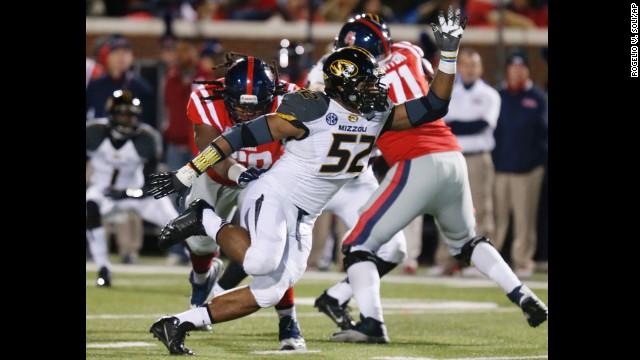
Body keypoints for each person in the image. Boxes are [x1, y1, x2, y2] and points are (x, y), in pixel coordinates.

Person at [145, 7, 465, 355]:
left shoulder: (379, 115)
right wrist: (189, 172)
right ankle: (203, 217)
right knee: (257, 263)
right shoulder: (311, 110)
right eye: (367, 81)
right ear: (344, 85)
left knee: (268, 291)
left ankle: (177, 324)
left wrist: (448, 55)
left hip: (306, 214)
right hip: (275, 194)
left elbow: (435, 104)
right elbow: (236, 137)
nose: (376, 86)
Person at [328, 23, 547, 345]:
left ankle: (372, 322)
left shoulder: (362, 87)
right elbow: (433, 85)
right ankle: (522, 293)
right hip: (452, 157)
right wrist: (447, 53)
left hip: (415, 163)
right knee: (467, 242)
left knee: (358, 244)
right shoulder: (409, 51)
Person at [305, 12, 433, 329]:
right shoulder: (326, 73)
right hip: (309, 178)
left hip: (355, 177)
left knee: (393, 248)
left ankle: (337, 297)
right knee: (270, 260)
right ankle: (208, 305)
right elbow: (308, 101)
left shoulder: (386, 71)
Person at [172, 53, 305, 349]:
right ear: (226, 95)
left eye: (256, 109)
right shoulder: (206, 97)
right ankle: (201, 279)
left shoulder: (293, 100)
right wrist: (240, 173)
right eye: (240, 109)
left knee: (273, 246)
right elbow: (210, 154)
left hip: (267, 180)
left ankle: (288, 319)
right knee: (200, 246)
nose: (246, 116)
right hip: (218, 176)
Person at [85, 90, 181, 286]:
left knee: (180, 225)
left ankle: (203, 270)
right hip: (104, 193)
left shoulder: (146, 138)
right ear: (111, 115)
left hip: (138, 194)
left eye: (132, 115)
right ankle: (103, 268)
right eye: (123, 115)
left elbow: (150, 184)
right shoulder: (93, 133)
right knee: (90, 205)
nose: (128, 120)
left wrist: (127, 193)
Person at [432, 47, 501, 276]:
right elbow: (444, 124)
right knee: (447, 209)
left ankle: (482, 264)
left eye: (474, 65)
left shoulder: (490, 94)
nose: (470, 69)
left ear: (480, 69)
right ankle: (445, 261)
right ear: (459, 67)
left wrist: (456, 123)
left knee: (481, 210)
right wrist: (458, 124)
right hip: (452, 157)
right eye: (466, 65)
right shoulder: (450, 91)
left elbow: (482, 125)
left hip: (477, 158)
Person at [492, 50, 547, 278]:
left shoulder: (537, 98)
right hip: (499, 168)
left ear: (527, 69)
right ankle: (490, 260)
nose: (516, 70)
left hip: (527, 170)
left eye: (521, 67)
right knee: (495, 217)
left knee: (525, 218)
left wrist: (533, 162)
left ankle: (523, 260)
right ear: (507, 70)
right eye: (512, 67)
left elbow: (544, 136)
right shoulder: (499, 95)